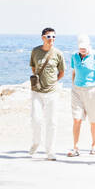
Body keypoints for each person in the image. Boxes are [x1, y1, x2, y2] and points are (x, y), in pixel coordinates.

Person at [28, 26, 65, 159]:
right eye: (49, 37)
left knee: (52, 122)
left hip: (52, 93)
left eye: (54, 37)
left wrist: (53, 82)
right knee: (36, 119)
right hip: (37, 92)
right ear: (43, 38)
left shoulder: (58, 53)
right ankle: (36, 142)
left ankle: (50, 151)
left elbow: (61, 72)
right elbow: (33, 67)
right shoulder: (35, 51)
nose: (52, 39)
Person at [68, 33, 95, 157]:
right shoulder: (74, 56)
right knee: (77, 119)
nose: (83, 50)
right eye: (80, 48)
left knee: (93, 120)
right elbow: (74, 72)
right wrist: (73, 85)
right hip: (77, 90)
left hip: (92, 90)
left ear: (89, 46)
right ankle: (75, 147)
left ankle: (94, 145)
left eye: (85, 48)